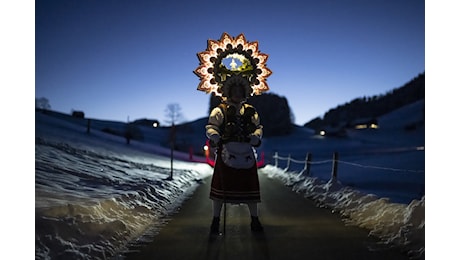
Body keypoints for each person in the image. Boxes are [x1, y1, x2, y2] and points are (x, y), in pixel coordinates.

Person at [205, 75, 264, 234]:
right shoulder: (220, 110)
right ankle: (215, 220)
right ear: (229, 92)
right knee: (220, 190)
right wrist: (215, 136)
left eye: (240, 90)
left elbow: (258, 127)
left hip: (246, 153)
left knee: (250, 188)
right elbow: (211, 126)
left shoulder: (251, 111)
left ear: (245, 91)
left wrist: (256, 137)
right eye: (235, 90)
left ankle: (255, 220)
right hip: (226, 152)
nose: (237, 93)